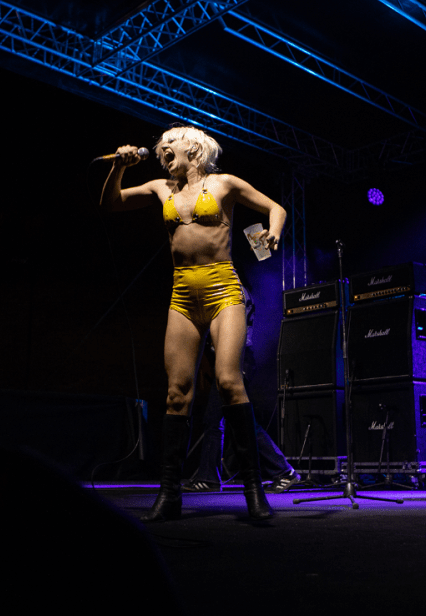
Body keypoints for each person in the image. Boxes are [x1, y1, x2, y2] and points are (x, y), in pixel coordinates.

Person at [99, 125, 286, 521]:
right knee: (176, 394)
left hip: (224, 290)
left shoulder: (224, 184)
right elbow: (111, 203)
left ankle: (255, 492)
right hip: (183, 294)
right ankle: (169, 495)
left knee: (229, 382)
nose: (163, 148)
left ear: (195, 149)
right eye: (161, 146)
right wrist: (119, 167)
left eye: (171, 142)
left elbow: (276, 209)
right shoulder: (160, 188)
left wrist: (272, 233)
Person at [184, 285, 300, 494]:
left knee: (232, 420)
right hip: (234, 358)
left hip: (237, 358)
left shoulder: (231, 288)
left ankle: (282, 471)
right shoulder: (229, 287)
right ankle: (210, 477)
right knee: (224, 420)